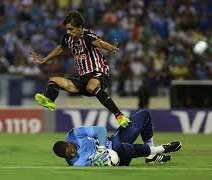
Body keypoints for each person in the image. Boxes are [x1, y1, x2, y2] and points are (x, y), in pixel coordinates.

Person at [30, 10, 130, 128]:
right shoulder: (68, 38)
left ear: (80, 28)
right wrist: (44, 59)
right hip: (83, 78)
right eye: (67, 29)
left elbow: (100, 43)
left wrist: (111, 48)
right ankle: (50, 100)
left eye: (71, 29)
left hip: (99, 73)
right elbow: (60, 48)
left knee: (91, 86)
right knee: (53, 80)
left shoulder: (87, 36)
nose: (68, 32)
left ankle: (119, 116)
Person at [53, 110, 182, 166]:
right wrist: (104, 156)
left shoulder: (74, 134)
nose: (72, 155)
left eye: (71, 151)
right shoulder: (76, 163)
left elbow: (100, 130)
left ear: (69, 143)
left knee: (144, 115)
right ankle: (160, 149)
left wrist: (102, 148)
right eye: (68, 156)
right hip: (115, 160)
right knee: (125, 148)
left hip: (112, 142)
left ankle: (151, 154)